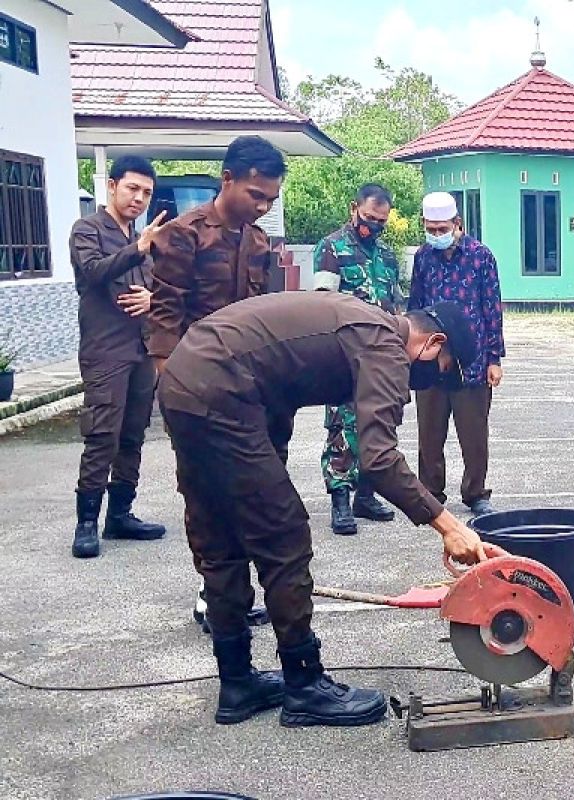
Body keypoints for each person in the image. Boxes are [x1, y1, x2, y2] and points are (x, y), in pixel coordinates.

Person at [157, 291, 503, 727]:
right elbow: (378, 459)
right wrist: (448, 525)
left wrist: (269, 460)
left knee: (222, 531)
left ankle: (237, 682)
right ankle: (304, 686)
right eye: (440, 371)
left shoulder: (363, 323)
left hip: (187, 377)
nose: (430, 382)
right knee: (283, 534)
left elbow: (279, 383)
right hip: (221, 388)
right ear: (432, 344)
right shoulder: (385, 345)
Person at [147, 135, 287, 631]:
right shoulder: (184, 236)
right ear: (227, 179)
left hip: (250, 390)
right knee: (206, 493)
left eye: (270, 198)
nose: (263, 206)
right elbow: (164, 318)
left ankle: (241, 587)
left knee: (255, 491)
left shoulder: (259, 241)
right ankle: (212, 592)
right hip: (197, 388)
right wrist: (171, 388)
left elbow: (270, 316)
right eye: (255, 194)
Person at [69, 156, 170, 559]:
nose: (139, 198)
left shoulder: (145, 238)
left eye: (146, 192)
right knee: (102, 434)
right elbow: (92, 272)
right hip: (105, 351)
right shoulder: (87, 230)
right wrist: (138, 248)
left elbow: (162, 286)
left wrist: (154, 298)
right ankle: (86, 523)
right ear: (112, 186)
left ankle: (120, 514)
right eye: (132, 188)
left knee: (133, 434)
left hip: (141, 350)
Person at [312, 183, 403, 535]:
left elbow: (394, 306)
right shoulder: (331, 248)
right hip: (342, 355)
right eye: (369, 218)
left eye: (381, 221)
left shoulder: (388, 256)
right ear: (354, 209)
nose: (374, 226)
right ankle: (340, 500)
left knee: (378, 425)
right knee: (342, 428)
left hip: (381, 357)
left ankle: (367, 495)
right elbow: (321, 305)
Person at [407, 191, 505, 518]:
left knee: (473, 431)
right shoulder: (423, 257)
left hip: (472, 360)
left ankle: (476, 492)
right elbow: (415, 308)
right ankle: (430, 493)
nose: (436, 235)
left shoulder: (481, 257)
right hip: (430, 357)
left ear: (457, 223)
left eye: (442, 228)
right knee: (430, 432)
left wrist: (494, 358)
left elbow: (492, 309)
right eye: (431, 229)